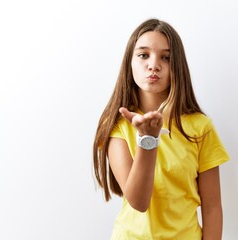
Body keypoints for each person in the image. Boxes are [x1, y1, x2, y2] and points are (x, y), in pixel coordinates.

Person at [93, 18, 230, 240]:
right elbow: (138, 201)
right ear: (130, 61)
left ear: (177, 66)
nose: (154, 65)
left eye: (166, 58)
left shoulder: (200, 126)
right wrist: (148, 139)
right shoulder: (116, 125)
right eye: (143, 55)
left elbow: (213, 207)